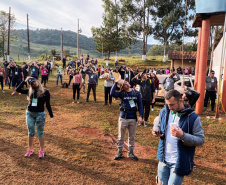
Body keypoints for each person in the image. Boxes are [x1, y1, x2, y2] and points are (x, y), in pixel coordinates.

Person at [152, 90, 204, 185]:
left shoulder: (193, 118)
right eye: (167, 104)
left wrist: (183, 136)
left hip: (178, 162)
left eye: (172, 105)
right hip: (163, 159)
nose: (169, 107)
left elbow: (200, 140)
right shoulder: (164, 111)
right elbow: (157, 123)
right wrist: (156, 130)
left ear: (180, 101)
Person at [16, 76, 54, 159]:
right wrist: (25, 80)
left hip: (40, 114)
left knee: (40, 132)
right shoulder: (30, 91)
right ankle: (30, 149)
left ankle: (41, 150)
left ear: (37, 80)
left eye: (34, 81)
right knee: (31, 132)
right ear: (31, 85)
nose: (34, 83)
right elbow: (18, 89)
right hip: (30, 113)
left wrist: (51, 116)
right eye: (32, 83)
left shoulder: (45, 92)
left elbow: (48, 104)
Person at [110, 79, 143, 161]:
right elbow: (112, 93)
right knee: (121, 136)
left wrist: (141, 116)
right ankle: (119, 152)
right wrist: (116, 82)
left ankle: (130, 152)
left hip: (133, 118)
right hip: (123, 118)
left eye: (127, 83)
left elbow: (140, 104)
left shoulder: (136, 93)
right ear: (122, 87)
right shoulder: (122, 93)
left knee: (132, 136)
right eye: (124, 84)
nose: (127, 84)